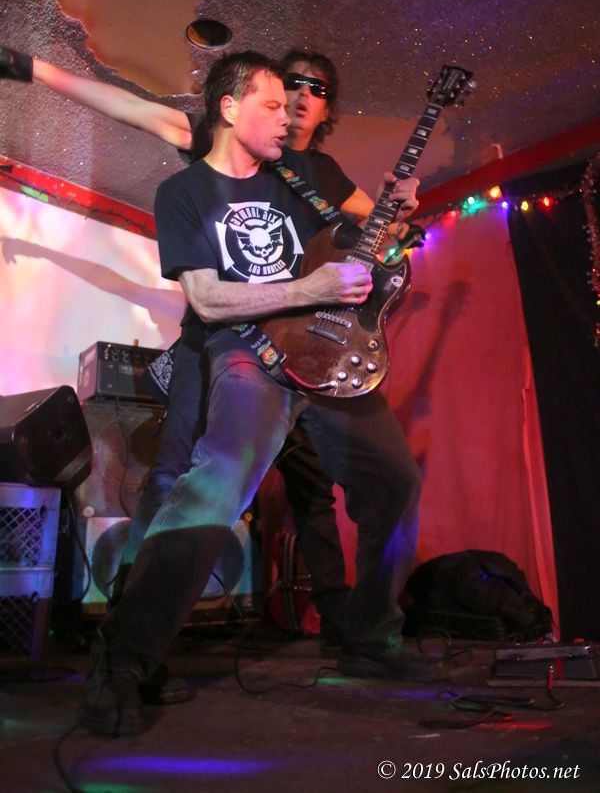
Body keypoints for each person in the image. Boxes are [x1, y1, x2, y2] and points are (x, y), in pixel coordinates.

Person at [73, 49, 448, 737]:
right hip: (245, 348)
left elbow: (368, 251)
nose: (290, 116)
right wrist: (310, 288)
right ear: (229, 108)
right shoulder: (184, 193)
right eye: (273, 105)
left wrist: (394, 221)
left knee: (395, 481)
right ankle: (122, 662)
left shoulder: (300, 178)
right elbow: (207, 299)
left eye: (295, 103)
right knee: (215, 482)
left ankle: (370, 636)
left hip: (325, 355)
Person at [1, 41, 402, 651]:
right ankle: (132, 633)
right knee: (178, 477)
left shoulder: (317, 176)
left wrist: (400, 214)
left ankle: (346, 629)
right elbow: (132, 109)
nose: (299, 96)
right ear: (239, 107)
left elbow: (382, 230)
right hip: (224, 342)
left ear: (327, 111)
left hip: (305, 350)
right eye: (288, 85)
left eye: (315, 89)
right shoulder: (217, 150)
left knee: (319, 491)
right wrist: (36, 69)